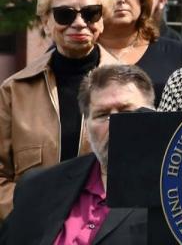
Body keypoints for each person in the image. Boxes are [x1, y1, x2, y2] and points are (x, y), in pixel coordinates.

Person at [0, 0, 119, 219]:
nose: (79, 23)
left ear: (102, 19)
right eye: (65, 14)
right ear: (45, 22)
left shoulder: (128, 87)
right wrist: (34, 214)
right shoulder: (14, 91)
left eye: (91, 13)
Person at [0, 64, 154, 244]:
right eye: (102, 115)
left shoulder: (171, 193)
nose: (114, 124)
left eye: (126, 112)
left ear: (152, 115)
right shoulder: (37, 187)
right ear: (86, 126)